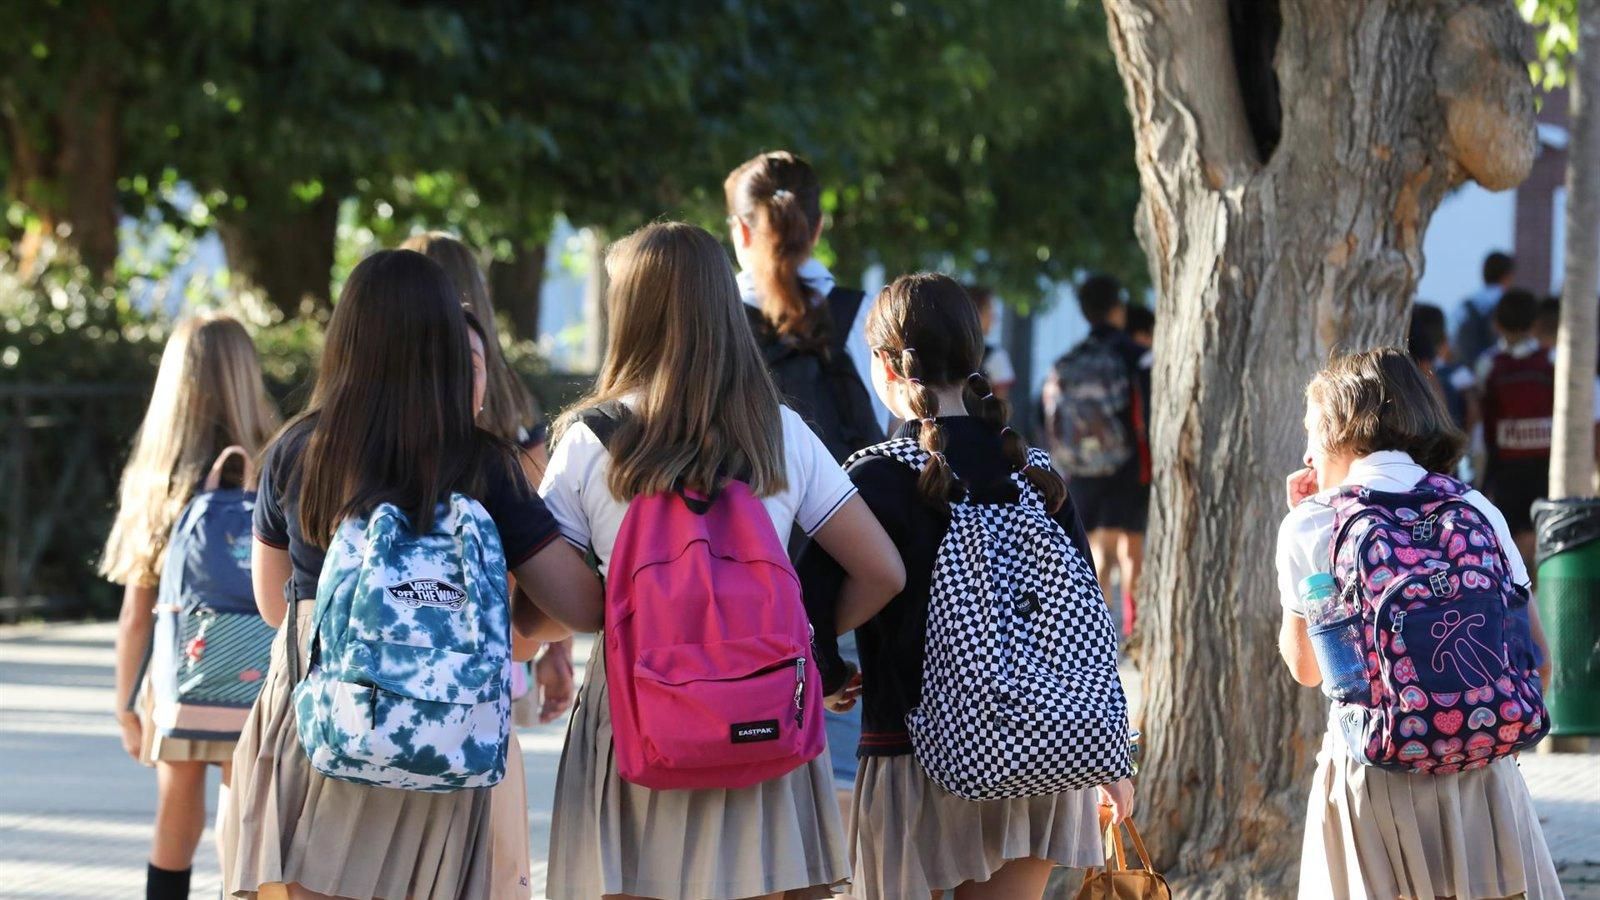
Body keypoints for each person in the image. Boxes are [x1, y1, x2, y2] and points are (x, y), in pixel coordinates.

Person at [539, 222, 905, 900]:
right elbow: (883, 569)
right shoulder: (780, 430)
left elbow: (575, 606)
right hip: (760, 708)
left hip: (638, 717)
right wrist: (810, 635)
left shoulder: (589, 441)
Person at [223, 249, 598, 900]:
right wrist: (518, 626)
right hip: (437, 729)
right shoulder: (485, 463)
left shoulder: (297, 448)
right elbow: (578, 606)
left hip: (320, 719)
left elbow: (272, 603)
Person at [798, 273, 1134, 900]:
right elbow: (1085, 623)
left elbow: (805, 610)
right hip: (1045, 755)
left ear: (885, 364)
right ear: (974, 358)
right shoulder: (1038, 476)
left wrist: (834, 676)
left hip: (918, 755)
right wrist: (1109, 756)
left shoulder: (875, 478)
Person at [1277, 347, 1558, 900]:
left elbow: (1308, 669)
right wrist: (1481, 730)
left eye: (1311, 431)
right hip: (1484, 775)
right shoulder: (1477, 508)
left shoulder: (1313, 525)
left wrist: (1294, 524)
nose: (1307, 452)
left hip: (1376, 768)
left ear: (1342, 429)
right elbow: (1537, 657)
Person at [102, 314, 281, 900]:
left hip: (186, 669)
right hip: (262, 668)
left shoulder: (161, 479)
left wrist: (127, 702)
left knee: (177, 805)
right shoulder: (279, 461)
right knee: (248, 813)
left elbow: (136, 613)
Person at [725, 151, 884, 464]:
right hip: (851, 506)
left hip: (750, 508)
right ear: (818, 227)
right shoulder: (864, 314)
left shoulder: (715, 319)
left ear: (741, 230)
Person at [1041, 273, 1149, 632]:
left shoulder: (1069, 359)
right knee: (1131, 552)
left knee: (1096, 552)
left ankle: (1099, 633)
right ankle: (1133, 632)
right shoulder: (1136, 356)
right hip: (1128, 466)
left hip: (1081, 469)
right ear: (1117, 309)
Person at [1477, 288, 1553, 567]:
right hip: (1544, 463)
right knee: (1539, 527)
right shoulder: (1551, 361)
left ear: (1497, 324)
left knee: (1512, 529)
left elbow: (1482, 419)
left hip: (1505, 465)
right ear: (1535, 323)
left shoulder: (1488, 364)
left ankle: (1522, 589)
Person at [1408, 302, 1477, 441]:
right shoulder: (1459, 373)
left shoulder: (1407, 369)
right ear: (1444, 338)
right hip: (1449, 442)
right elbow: (1473, 411)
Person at [1455, 250, 1516, 369]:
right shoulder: (1507, 304)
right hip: (1497, 369)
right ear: (1507, 275)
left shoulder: (1467, 303)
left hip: (1468, 369)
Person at [965, 284, 1017, 401]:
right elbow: (1001, 406)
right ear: (975, 313)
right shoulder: (996, 357)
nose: (994, 317)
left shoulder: (943, 352)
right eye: (989, 310)